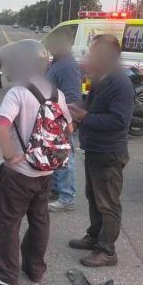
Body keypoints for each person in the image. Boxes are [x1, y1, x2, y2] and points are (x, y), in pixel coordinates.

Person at [0, 39, 72, 285]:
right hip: (46, 170)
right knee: (39, 219)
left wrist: (10, 155)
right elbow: (69, 126)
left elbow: (2, 125)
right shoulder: (56, 93)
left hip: (19, 172)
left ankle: (6, 273)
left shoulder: (19, 92)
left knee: (8, 221)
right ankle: (35, 269)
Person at [67, 34, 134, 267]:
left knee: (108, 203)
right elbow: (90, 104)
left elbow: (118, 121)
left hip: (109, 152)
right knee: (94, 198)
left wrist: (85, 117)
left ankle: (107, 251)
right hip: (94, 149)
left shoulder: (120, 83)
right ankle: (94, 237)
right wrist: (74, 110)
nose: (89, 56)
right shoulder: (101, 78)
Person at [45, 35, 82, 212]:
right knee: (54, 155)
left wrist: (69, 121)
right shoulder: (58, 62)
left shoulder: (67, 66)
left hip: (62, 119)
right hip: (52, 119)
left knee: (66, 158)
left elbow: (73, 97)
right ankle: (55, 190)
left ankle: (67, 198)